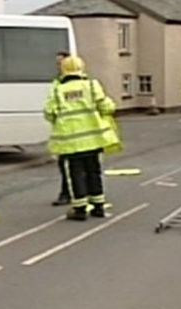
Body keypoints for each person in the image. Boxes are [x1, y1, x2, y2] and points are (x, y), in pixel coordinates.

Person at [44, 55, 122, 221]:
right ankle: (98, 207)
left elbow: (49, 113)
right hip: (93, 139)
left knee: (75, 173)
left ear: (64, 70)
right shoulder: (92, 85)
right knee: (94, 171)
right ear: (82, 68)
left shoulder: (58, 89)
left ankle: (80, 209)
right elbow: (107, 107)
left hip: (70, 141)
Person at [51, 51, 72, 206]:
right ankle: (66, 193)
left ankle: (69, 194)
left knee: (77, 167)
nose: (58, 66)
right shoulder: (57, 83)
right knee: (64, 165)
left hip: (77, 133)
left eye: (61, 63)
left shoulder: (81, 83)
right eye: (57, 63)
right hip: (63, 133)